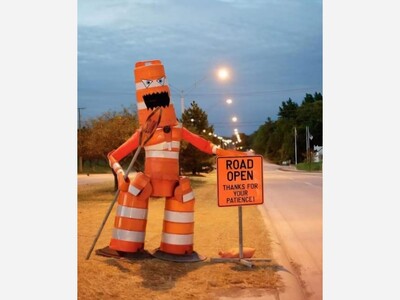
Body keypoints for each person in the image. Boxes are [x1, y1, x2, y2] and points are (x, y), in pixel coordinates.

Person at [97, 60, 249, 261]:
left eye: (159, 82)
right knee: (133, 190)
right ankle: (126, 246)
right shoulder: (143, 133)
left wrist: (223, 152)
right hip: (148, 183)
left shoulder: (178, 130)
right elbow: (114, 155)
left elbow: (203, 144)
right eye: (148, 85)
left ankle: (176, 249)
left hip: (172, 184)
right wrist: (120, 173)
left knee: (184, 195)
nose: (155, 92)